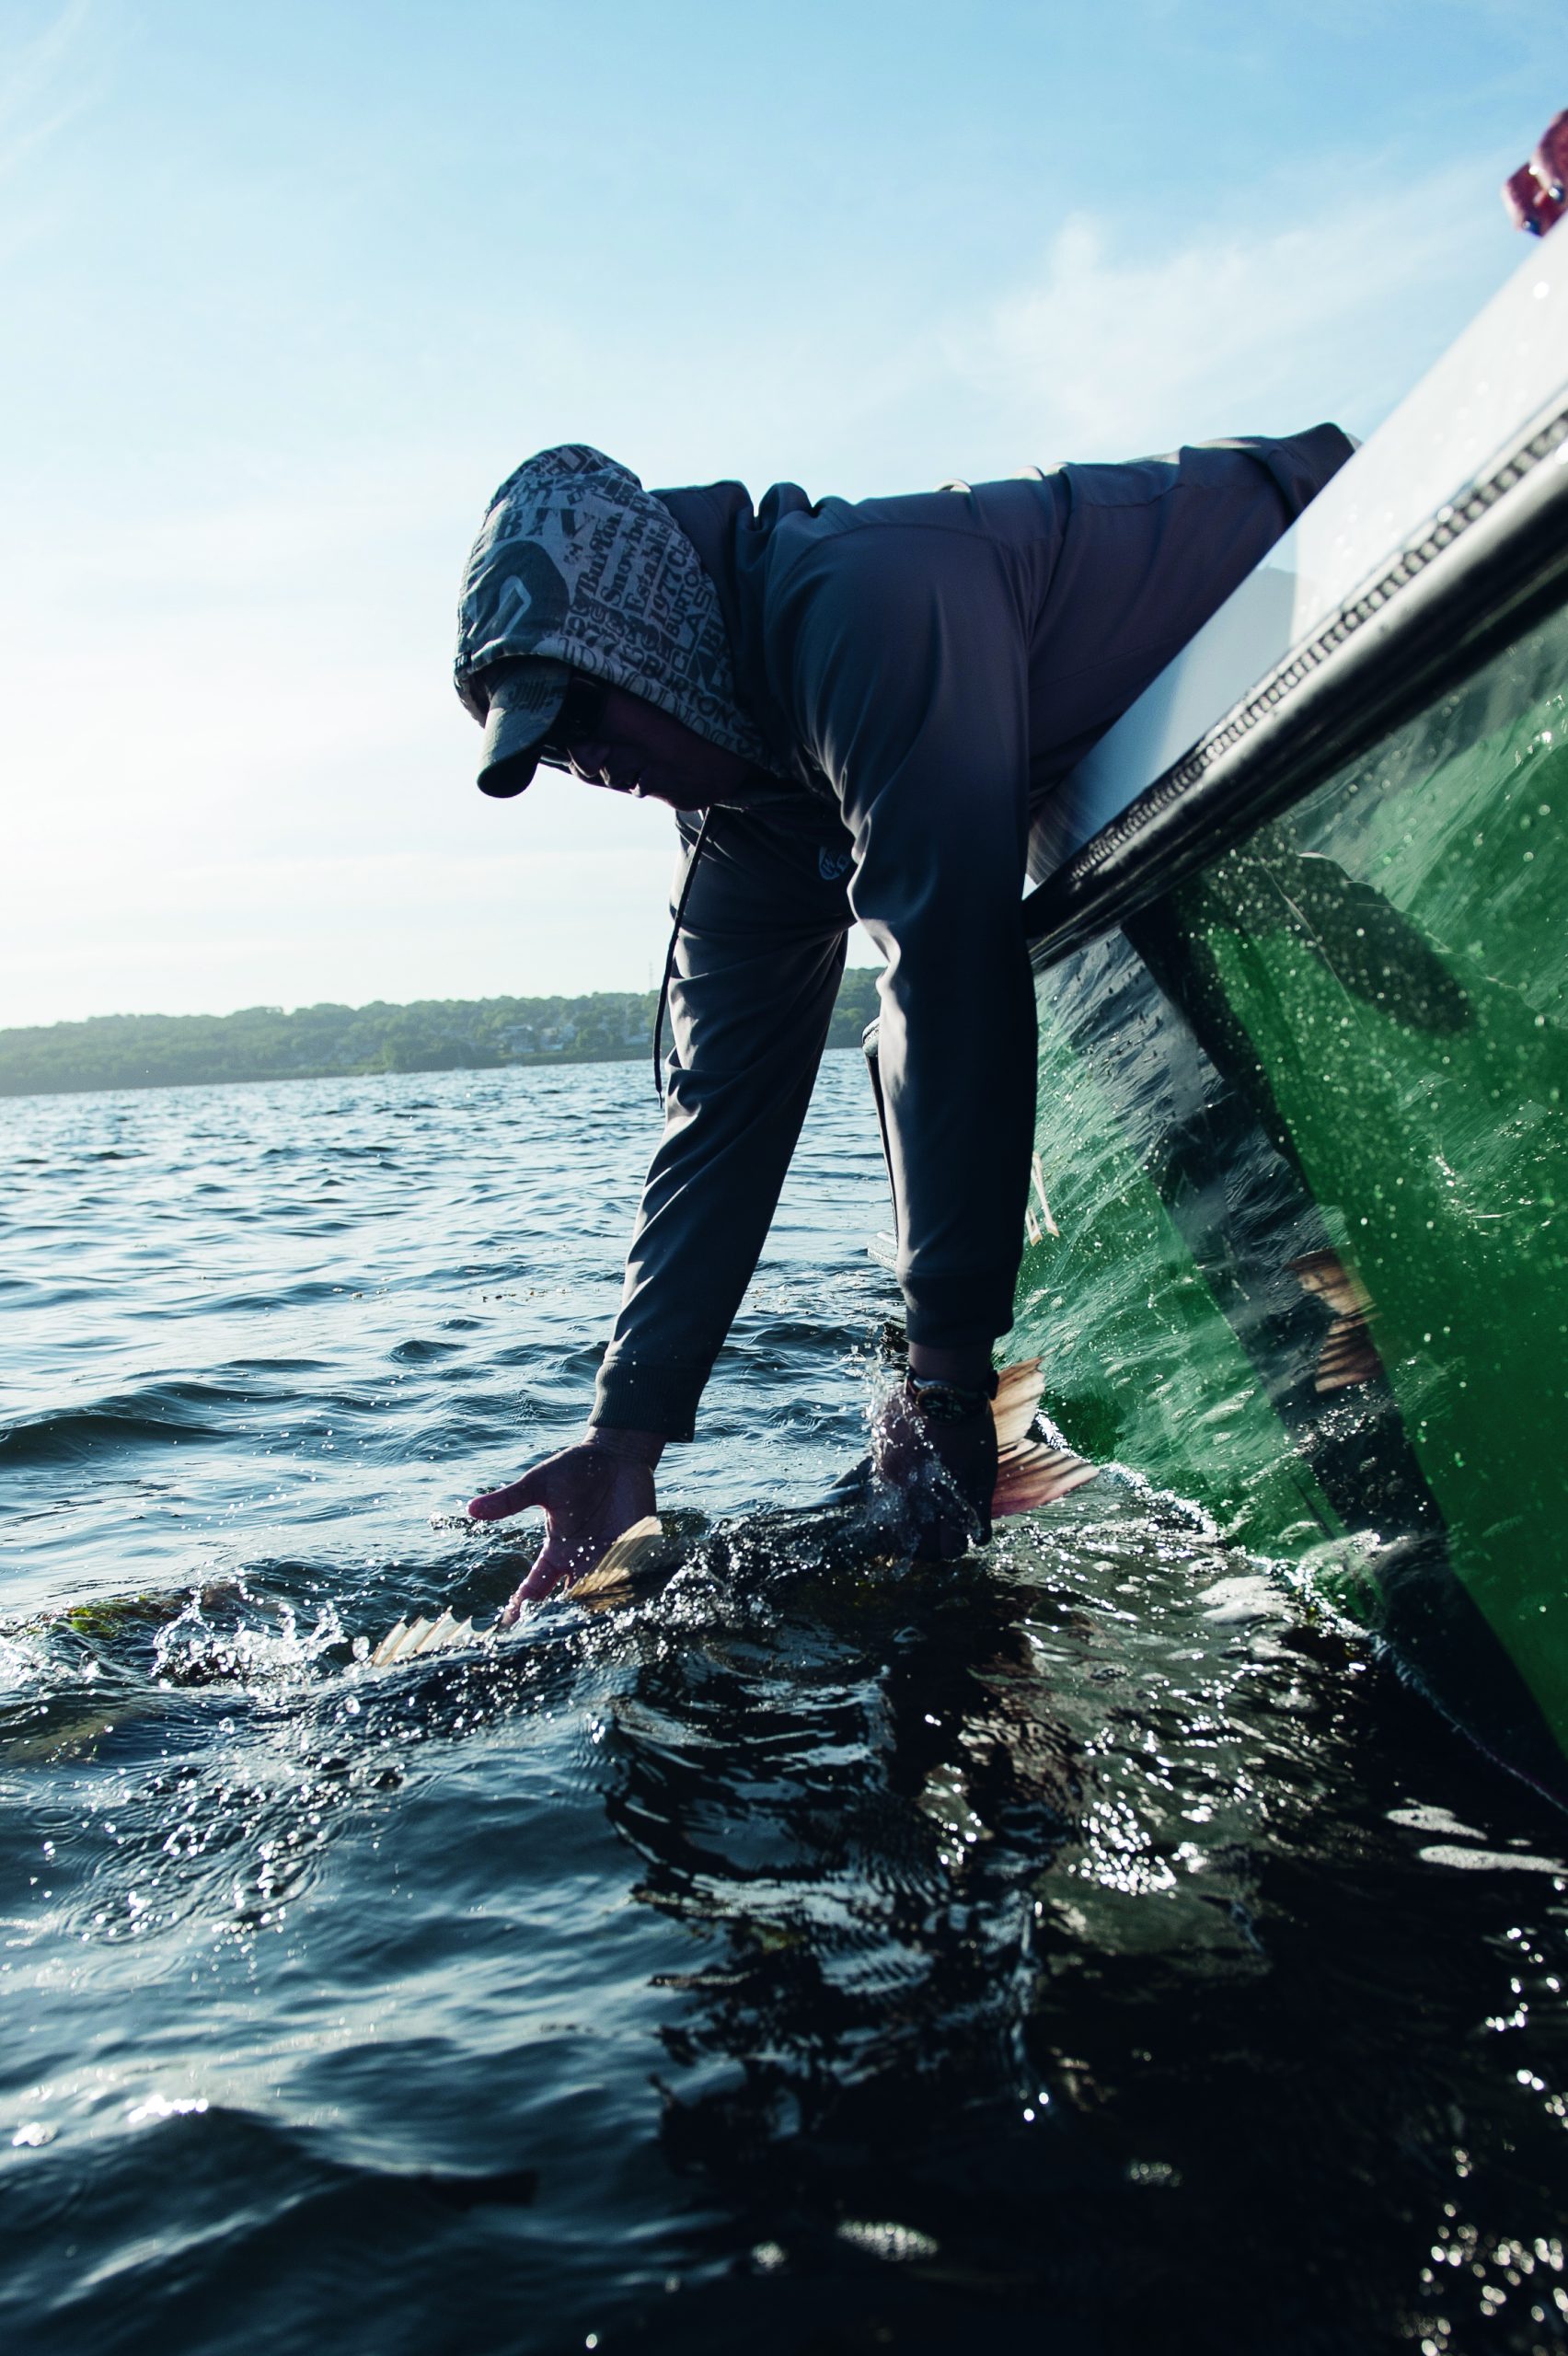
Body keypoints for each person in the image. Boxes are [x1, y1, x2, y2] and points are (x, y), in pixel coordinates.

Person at [453, 426, 1354, 1609]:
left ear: (655, 629)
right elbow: (718, 1116)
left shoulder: (864, 604)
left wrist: (942, 1387)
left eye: (580, 707)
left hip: (1330, 570)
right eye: (543, 743)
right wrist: (625, 1443)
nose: (581, 760)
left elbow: (948, 961)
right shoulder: (745, 815)